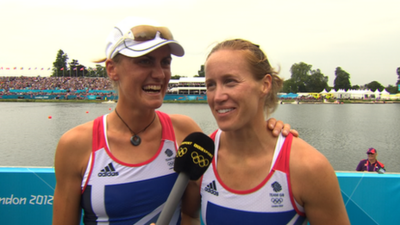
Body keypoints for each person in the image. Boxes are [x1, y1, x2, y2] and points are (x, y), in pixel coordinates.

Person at [52, 18, 295, 225]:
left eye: (165, 62)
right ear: (112, 69)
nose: (159, 74)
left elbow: (190, 214)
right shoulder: (76, 145)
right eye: (145, 60)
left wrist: (271, 131)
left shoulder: (185, 132)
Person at [182, 39, 350, 225]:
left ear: (265, 85)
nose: (218, 96)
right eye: (211, 85)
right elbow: (189, 216)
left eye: (230, 82)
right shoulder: (201, 156)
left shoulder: (309, 167)